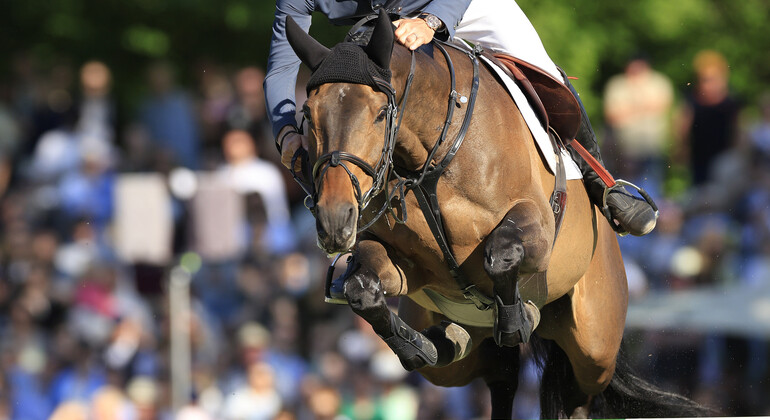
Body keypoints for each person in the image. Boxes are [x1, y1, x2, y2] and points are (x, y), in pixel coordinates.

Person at [264, 0, 657, 237]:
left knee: (545, 76)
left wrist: (432, 21)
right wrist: (286, 134)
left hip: (461, 4)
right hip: (384, 27)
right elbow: (281, 69)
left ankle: (603, 183)